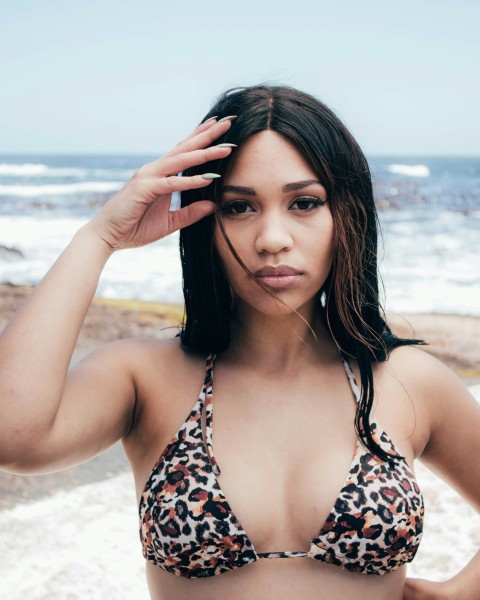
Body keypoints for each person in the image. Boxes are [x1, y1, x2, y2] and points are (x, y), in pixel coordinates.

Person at [0, 85, 478, 600]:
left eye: (304, 202)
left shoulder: (408, 382)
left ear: (347, 217)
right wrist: (99, 238)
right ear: (206, 222)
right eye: (239, 208)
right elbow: (14, 434)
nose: (272, 238)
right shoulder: (145, 377)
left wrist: (460, 591)